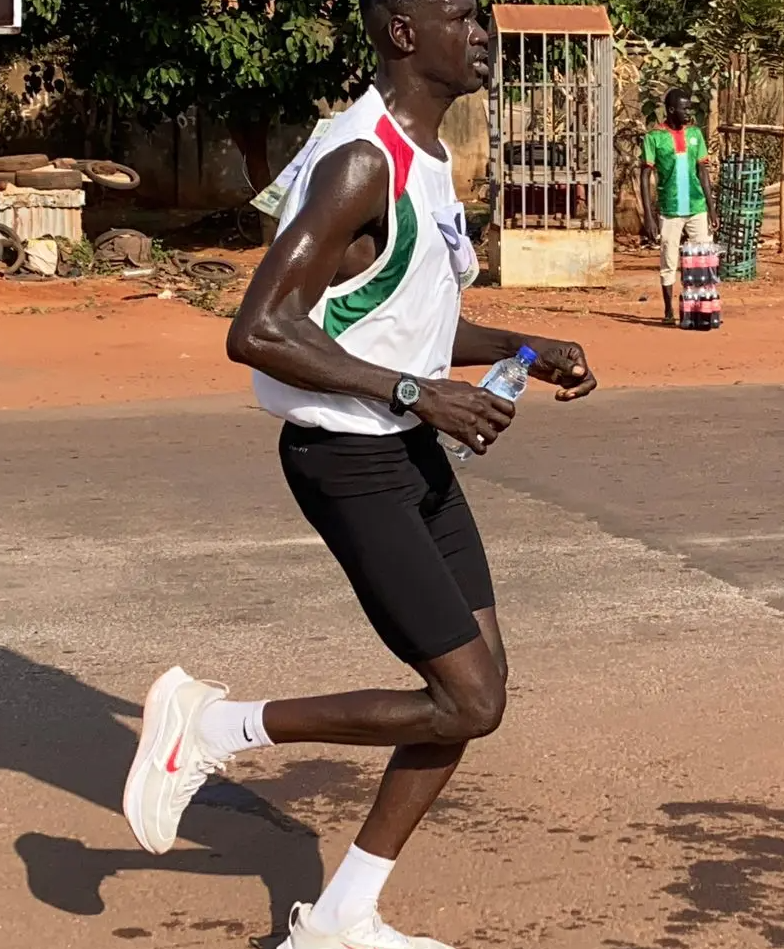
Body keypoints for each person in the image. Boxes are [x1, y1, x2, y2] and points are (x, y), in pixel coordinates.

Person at [119, 1, 597, 947]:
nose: (483, 32)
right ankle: (214, 726)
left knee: (476, 693)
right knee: (468, 698)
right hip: (347, 457)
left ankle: (342, 916)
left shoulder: (427, 158)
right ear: (403, 33)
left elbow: (402, 316)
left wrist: (522, 346)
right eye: (460, 15)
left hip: (405, 445)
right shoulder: (360, 161)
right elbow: (258, 329)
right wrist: (419, 392)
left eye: (484, 15)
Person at [640, 88, 719, 324]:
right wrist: (648, 216)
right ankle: (668, 311)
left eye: (690, 108)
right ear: (671, 110)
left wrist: (711, 208)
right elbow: (645, 175)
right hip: (670, 208)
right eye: (685, 108)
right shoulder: (654, 137)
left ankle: (701, 308)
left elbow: (702, 171)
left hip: (697, 206)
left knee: (703, 257)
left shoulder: (695, 134)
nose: (688, 112)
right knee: (668, 260)